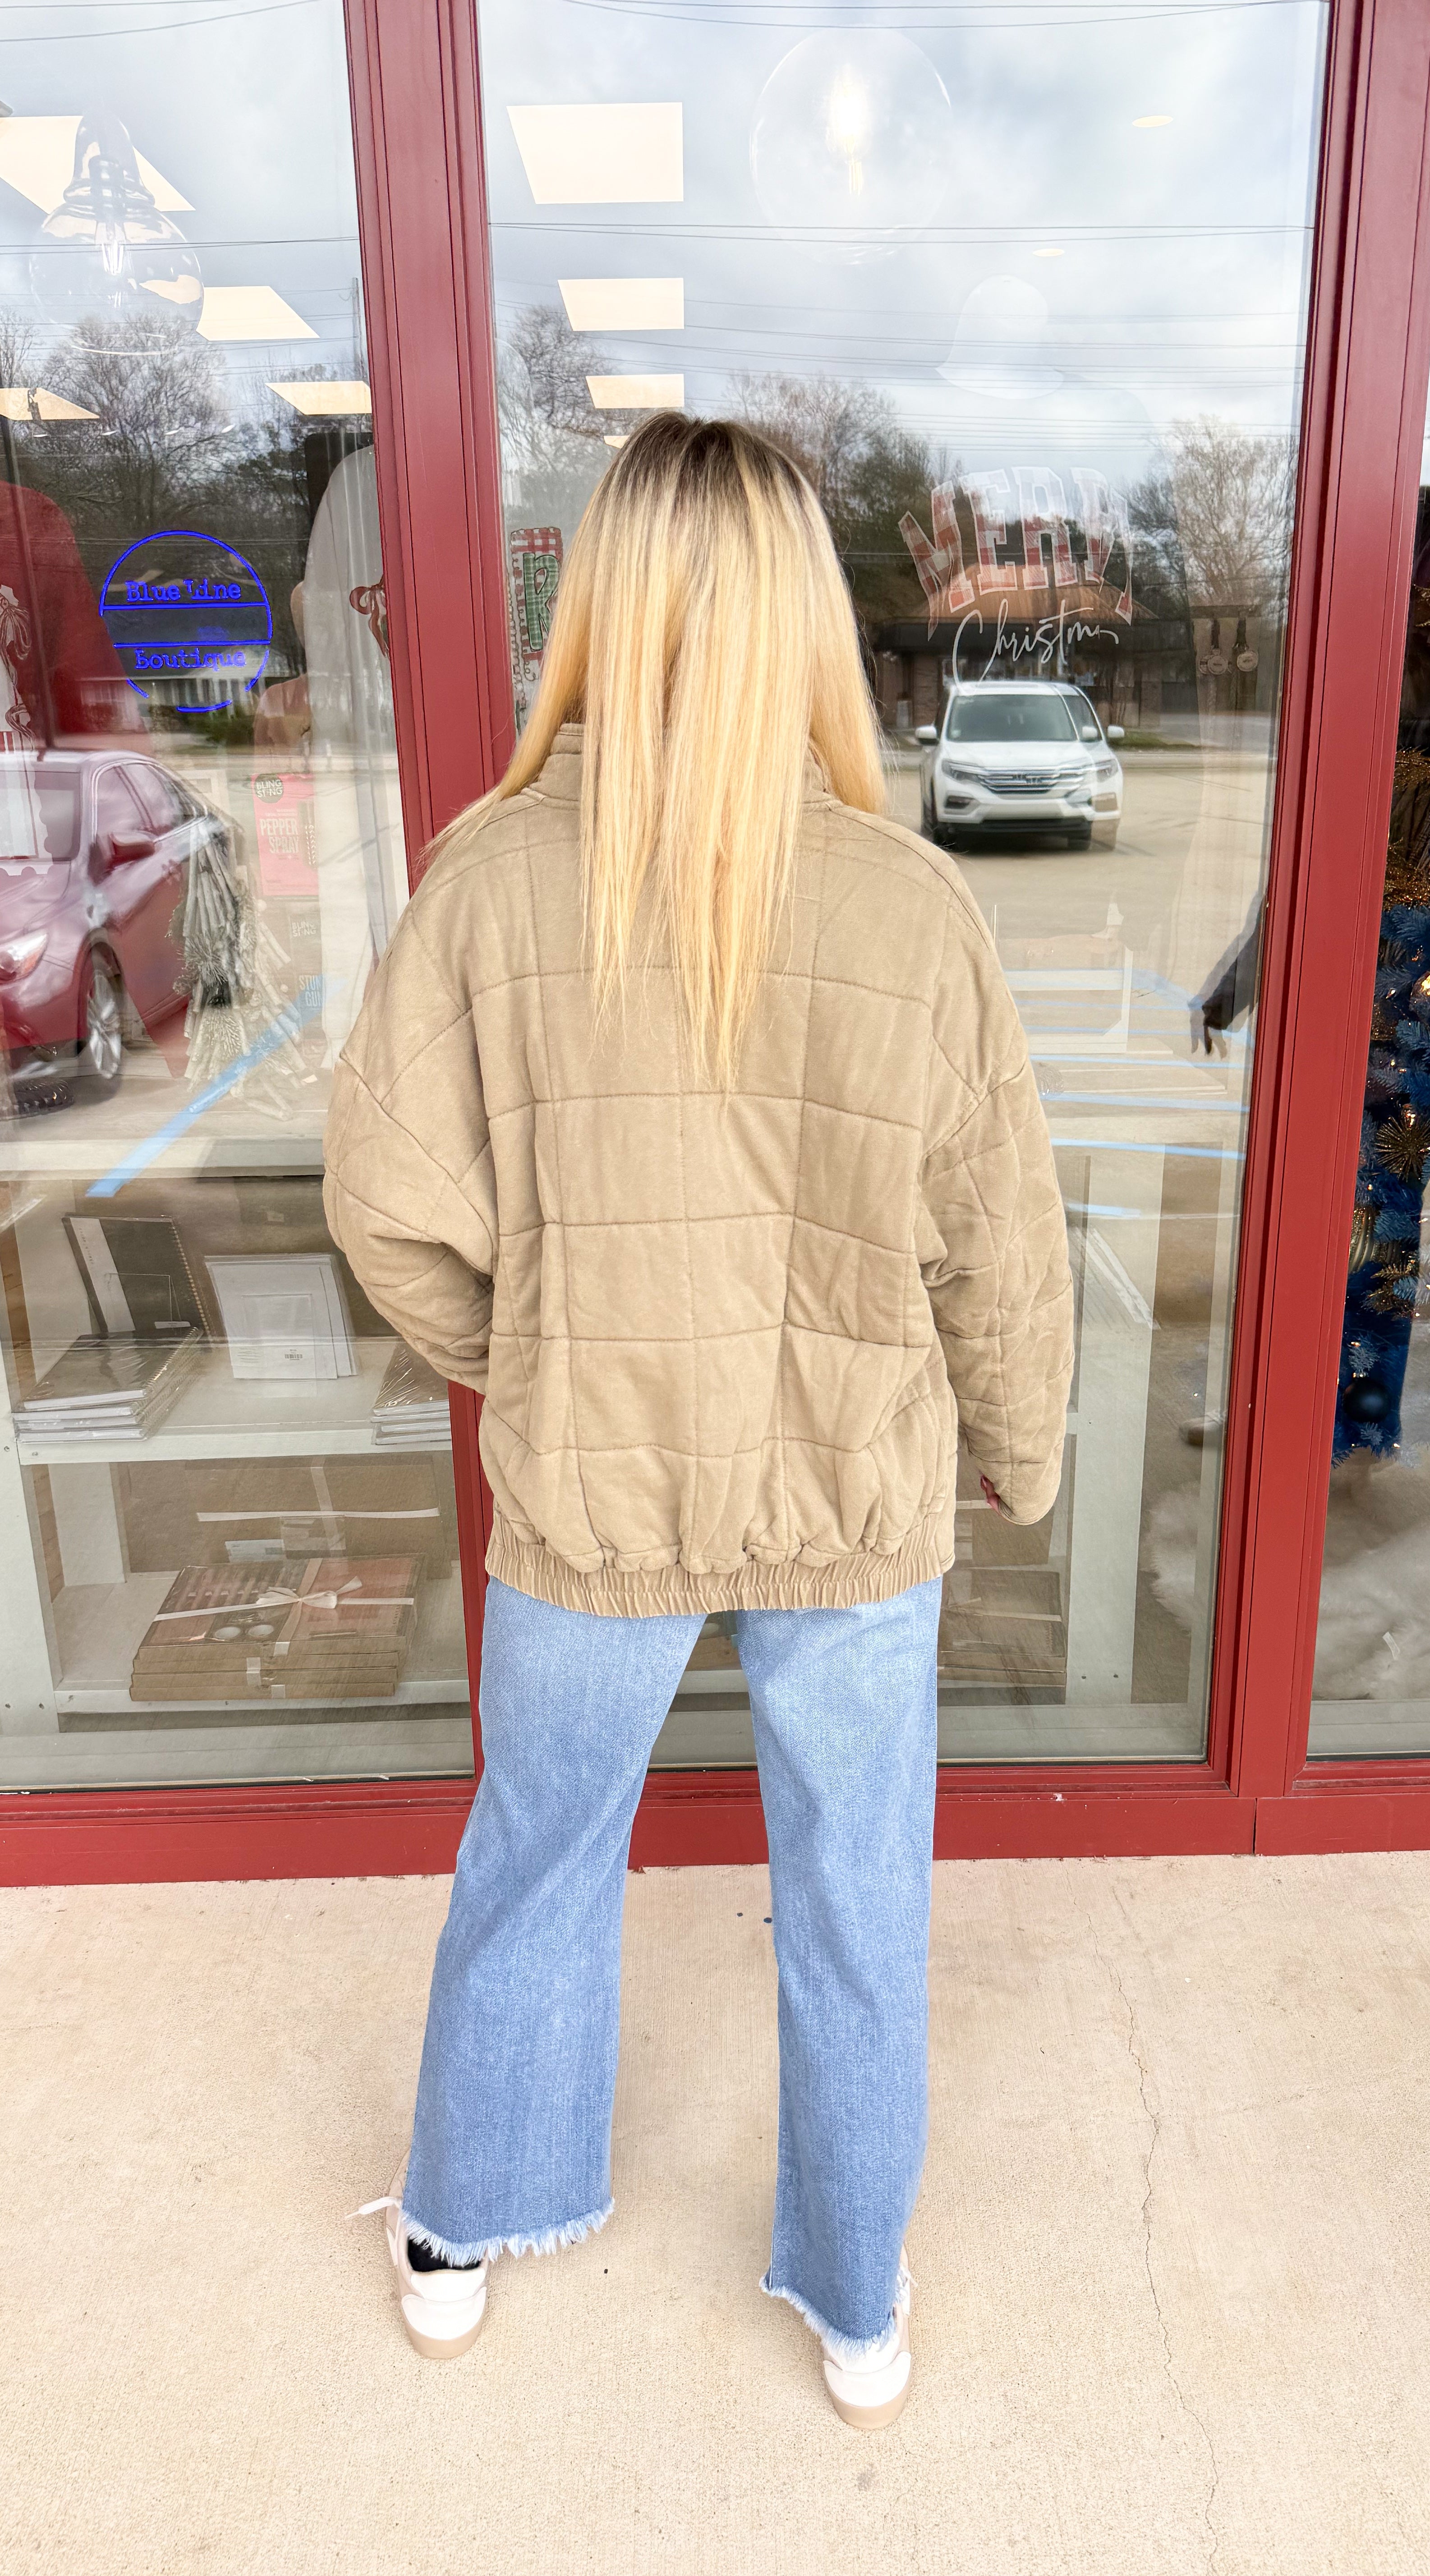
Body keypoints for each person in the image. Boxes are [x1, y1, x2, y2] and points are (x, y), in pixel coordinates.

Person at [324, 415, 1072, 2429]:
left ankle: (461, 2225)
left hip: (599, 1481)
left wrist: (526, 1354)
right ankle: (857, 2293)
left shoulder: (491, 881)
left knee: (539, 1852)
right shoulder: (912, 904)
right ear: (809, 620)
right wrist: (1021, 1445)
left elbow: (384, 1202)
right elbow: (1002, 1240)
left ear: (605, 604)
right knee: (859, 1896)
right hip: (851, 1484)